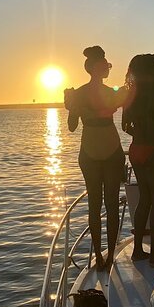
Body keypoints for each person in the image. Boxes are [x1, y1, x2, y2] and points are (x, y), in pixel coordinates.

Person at [64, 46, 126, 271]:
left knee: (95, 205)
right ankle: (108, 255)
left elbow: (71, 127)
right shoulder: (111, 92)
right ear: (98, 68)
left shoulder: (78, 93)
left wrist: (71, 104)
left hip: (90, 150)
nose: (108, 68)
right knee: (110, 205)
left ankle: (100, 255)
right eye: (106, 65)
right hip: (110, 148)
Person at [122, 54, 154, 267]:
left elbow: (125, 126)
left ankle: (137, 251)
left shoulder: (130, 95)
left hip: (136, 149)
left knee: (144, 200)